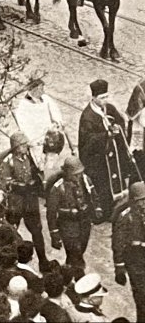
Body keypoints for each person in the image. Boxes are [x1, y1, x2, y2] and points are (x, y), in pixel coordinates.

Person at [78, 79, 130, 219]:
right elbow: (88, 140)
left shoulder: (110, 108)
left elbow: (120, 121)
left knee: (116, 180)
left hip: (114, 154)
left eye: (106, 97)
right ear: (93, 98)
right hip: (99, 159)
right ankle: (105, 213)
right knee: (103, 185)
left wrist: (117, 128)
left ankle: (117, 208)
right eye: (102, 98)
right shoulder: (87, 117)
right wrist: (106, 135)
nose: (105, 100)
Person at [0, 131, 48, 270]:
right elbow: (3, 182)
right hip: (16, 202)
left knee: (37, 231)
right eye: (22, 145)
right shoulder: (9, 162)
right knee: (11, 231)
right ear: (16, 147)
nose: (25, 146)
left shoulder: (30, 158)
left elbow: (39, 172)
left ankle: (43, 261)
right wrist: (17, 185)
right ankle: (7, 260)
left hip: (30, 200)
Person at [46, 155, 102, 271]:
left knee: (81, 249)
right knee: (75, 252)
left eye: (80, 173)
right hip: (68, 225)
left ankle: (70, 268)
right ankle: (77, 273)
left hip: (84, 222)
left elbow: (93, 195)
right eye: (75, 174)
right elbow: (51, 213)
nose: (78, 176)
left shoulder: (85, 180)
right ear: (67, 173)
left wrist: (97, 208)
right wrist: (54, 233)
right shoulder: (58, 188)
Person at [15, 78, 66, 180]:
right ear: (33, 89)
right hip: (36, 139)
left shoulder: (46, 99)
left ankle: (50, 176)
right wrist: (32, 139)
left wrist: (58, 122)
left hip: (49, 137)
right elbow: (23, 126)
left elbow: (55, 112)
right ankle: (40, 177)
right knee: (38, 162)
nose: (42, 91)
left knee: (51, 160)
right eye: (40, 89)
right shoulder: (23, 106)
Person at [112, 181, 145, 322]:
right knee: (141, 298)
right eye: (140, 201)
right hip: (135, 261)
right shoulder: (125, 217)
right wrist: (119, 267)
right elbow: (118, 244)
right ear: (133, 200)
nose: (143, 204)